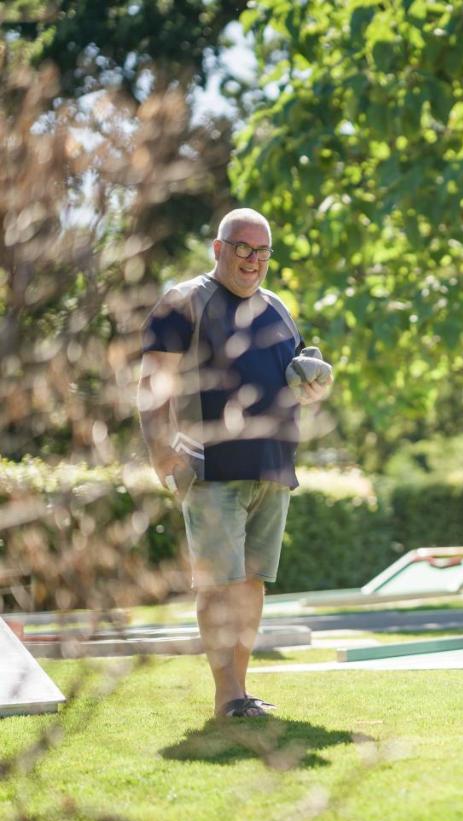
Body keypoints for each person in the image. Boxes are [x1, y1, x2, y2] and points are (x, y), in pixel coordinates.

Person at [138, 208, 332, 718]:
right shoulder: (184, 301)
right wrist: (160, 447)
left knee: (250, 584)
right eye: (243, 248)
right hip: (210, 468)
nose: (253, 259)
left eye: (263, 250)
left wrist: (311, 388)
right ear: (218, 249)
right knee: (219, 583)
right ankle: (227, 697)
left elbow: (290, 380)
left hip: (273, 467)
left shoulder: (279, 308)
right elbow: (153, 378)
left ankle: (241, 693)